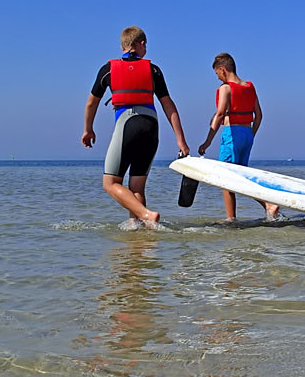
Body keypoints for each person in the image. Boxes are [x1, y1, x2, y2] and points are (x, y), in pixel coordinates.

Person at [82, 26, 190, 228]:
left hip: (127, 124)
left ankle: (146, 215)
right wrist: (180, 140)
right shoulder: (153, 69)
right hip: (151, 126)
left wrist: (88, 129)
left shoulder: (108, 69)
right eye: (145, 45)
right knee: (137, 187)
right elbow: (168, 105)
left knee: (110, 183)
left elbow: (91, 103)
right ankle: (139, 235)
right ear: (139, 44)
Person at [197, 52, 278, 221]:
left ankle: (231, 219)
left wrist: (207, 142)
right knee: (241, 178)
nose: (218, 78)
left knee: (225, 179)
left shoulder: (226, 89)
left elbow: (220, 115)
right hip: (247, 135)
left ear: (223, 69)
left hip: (232, 134)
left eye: (217, 74)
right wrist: (251, 135)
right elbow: (259, 115)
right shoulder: (250, 86)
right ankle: (268, 206)